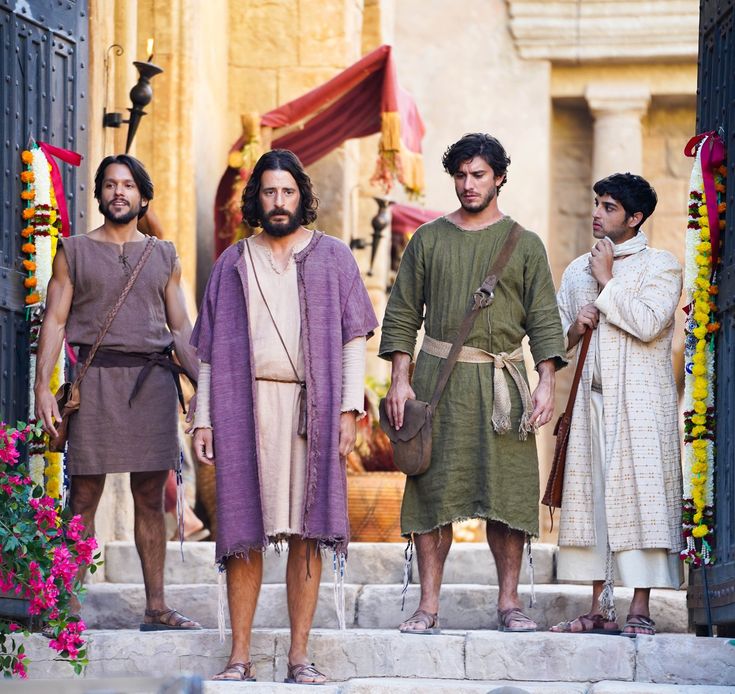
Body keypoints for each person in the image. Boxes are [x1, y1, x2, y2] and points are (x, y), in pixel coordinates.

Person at [190, 149, 378, 683]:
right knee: (243, 528)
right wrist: (203, 418)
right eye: (269, 192)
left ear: (301, 196)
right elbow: (207, 351)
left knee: (307, 529)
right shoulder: (232, 263)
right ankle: (239, 658)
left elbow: (354, 339)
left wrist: (348, 407)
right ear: (257, 198)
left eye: (287, 192)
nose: (278, 201)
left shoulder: (334, 257)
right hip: (244, 410)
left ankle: (299, 657)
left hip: (310, 413)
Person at [380, 133, 566, 634]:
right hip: (436, 383)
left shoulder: (524, 244)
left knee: (504, 490)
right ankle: (428, 605)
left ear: (500, 177)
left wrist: (546, 382)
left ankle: (509, 604)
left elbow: (544, 319)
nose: (468, 184)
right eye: (460, 175)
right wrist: (400, 380)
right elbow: (401, 314)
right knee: (432, 488)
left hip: (504, 387)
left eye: (478, 174)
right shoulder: (429, 239)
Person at [34, 154, 201, 631]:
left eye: (128, 185)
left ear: (142, 195)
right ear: (100, 194)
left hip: (151, 386)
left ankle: (156, 606)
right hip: (96, 382)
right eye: (110, 185)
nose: (118, 192)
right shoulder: (73, 251)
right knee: (83, 496)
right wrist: (43, 389)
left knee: (150, 497)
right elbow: (55, 320)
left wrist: (202, 385)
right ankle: (63, 608)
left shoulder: (164, 254)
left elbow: (181, 324)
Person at [551, 173, 683, 637]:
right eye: (597, 204)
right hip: (591, 403)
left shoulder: (661, 266)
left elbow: (648, 323)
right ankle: (598, 608)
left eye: (609, 207)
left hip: (641, 407)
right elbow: (559, 341)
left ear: (635, 217)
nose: (597, 213)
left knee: (640, 500)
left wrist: (607, 283)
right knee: (594, 501)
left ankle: (639, 609)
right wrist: (577, 326)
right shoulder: (573, 271)